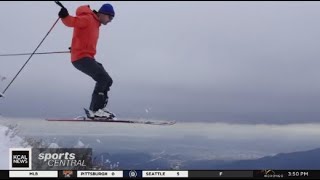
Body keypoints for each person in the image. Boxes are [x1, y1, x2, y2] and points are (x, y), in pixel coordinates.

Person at [58, 3, 116, 119]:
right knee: (102, 78)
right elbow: (72, 22)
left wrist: (77, 45)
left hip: (87, 57)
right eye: (110, 17)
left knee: (108, 80)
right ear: (102, 13)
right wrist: (64, 16)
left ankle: (98, 109)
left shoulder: (95, 23)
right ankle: (96, 110)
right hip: (81, 58)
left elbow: (83, 36)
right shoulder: (88, 19)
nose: (110, 21)